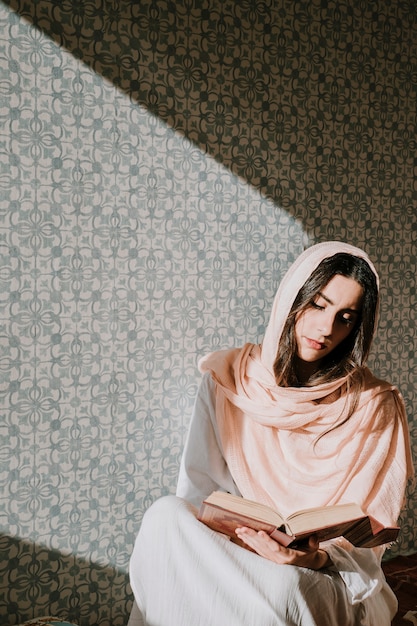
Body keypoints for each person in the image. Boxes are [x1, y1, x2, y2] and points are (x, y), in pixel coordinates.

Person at [128, 241, 414, 626]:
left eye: (345, 317)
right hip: (238, 550)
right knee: (164, 515)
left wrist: (312, 557)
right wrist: (247, 540)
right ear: (292, 299)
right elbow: (198, 493)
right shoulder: (230, 379)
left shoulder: (374, 404)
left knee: (282, 588)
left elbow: (369, 541)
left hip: (326, 573)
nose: (326, 328)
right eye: (318, 304)